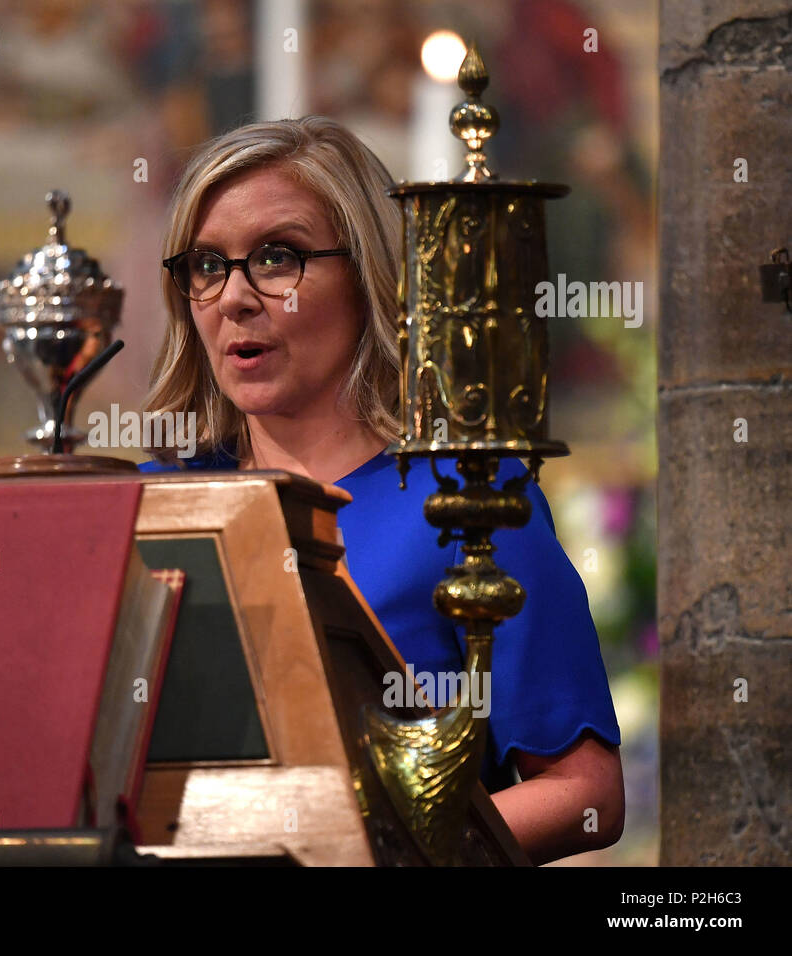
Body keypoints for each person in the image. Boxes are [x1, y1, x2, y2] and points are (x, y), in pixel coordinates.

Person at [137, 116, 624, 865]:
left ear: (368, 276)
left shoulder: (470, 499)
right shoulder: (152, 505)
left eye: (277, 258)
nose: (233, 297)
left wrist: (381, 858)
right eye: (206, 265)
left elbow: (585, 794)